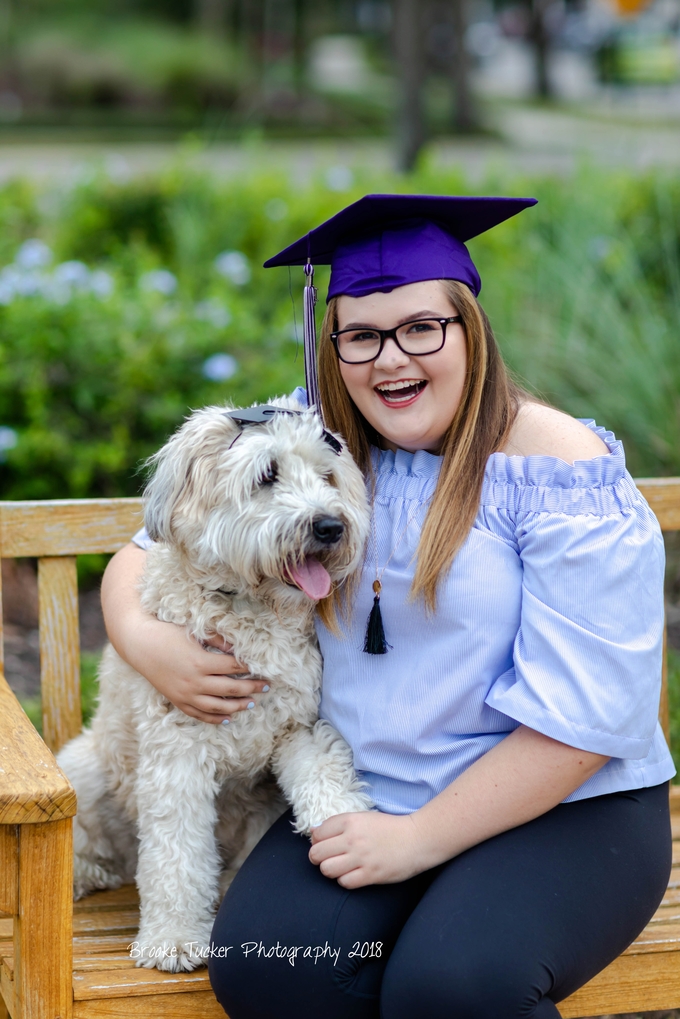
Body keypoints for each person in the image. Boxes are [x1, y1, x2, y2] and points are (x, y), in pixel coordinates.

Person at [101, 194, 675, 1019]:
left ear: (468, 327)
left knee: (451, 984)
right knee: (270, 966)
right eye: (361, 335)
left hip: (563, 812)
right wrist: (138, 634)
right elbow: (151, 546)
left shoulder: (559, 468)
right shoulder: (319, 440)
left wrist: (418, 842)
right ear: (331, 346)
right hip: (367, 795)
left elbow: (583, 720)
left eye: (420, 327)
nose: (389, 359)